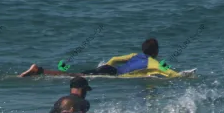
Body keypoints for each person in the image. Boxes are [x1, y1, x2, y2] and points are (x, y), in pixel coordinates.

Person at [18, 38, 181, 78]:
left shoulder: (135, 55)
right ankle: (39, 71)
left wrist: (105, 66)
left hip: (108, 69)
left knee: (75, 75)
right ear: (156, 51)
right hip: (111, 73)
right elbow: (168, 72)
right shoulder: (153, 62)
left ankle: (39, 71)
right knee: (72, 76)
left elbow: (115, 58)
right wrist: (182, 76)